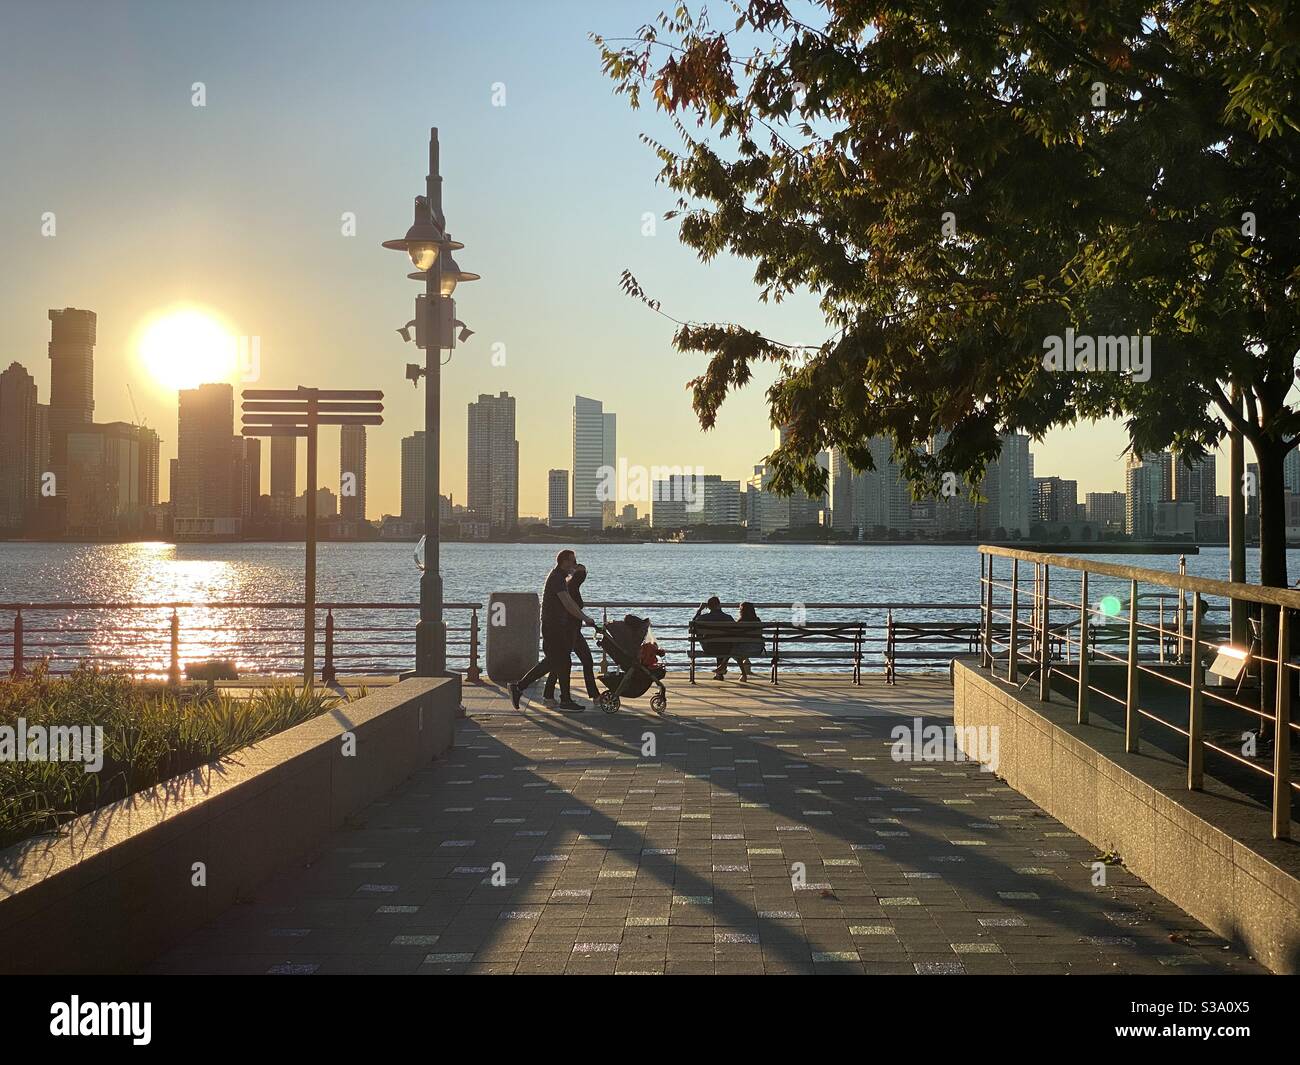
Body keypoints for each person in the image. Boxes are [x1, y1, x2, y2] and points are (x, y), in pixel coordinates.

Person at [510, 549, 596, 713]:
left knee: (559, 661)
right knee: (555, 661)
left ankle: (561, 698)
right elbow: (568, 603)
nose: (574, 564)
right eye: (572, 560)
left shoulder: (560, 578)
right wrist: (585, 618)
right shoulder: (557, 578)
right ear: (564, 561)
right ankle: (521, 687)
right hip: (554, 627)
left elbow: (569, 601)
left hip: (557, 626)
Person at [544, 563, 599, 702]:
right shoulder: (570, 589)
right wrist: (585, 618)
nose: (584, 575)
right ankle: (552, 695)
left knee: (566, 663)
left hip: (575, 630)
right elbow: (571, 608)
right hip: (569, 631)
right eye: (582, 573)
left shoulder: (573, 587)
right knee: (562, 663)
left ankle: (549, 694)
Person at [693, 595, 735, 679]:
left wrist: (699, 610)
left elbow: (693, 624)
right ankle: (719, 673)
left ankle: (719, 673)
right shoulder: (728, 618)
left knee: (712, 641)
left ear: (708, 607)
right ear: (719, 605)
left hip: (709, 648)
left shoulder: (703, 618)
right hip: (725, 648)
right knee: (723, 642)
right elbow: (735, 631)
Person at [733, 601, 765, 681]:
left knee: (732, 651)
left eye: (740, 609)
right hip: (758, 649)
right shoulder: (758, 620)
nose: (739, 611)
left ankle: (744, 674)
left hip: (744, 649)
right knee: (735, 650)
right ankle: (722, 666)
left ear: (742, 611)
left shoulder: (740, 622)